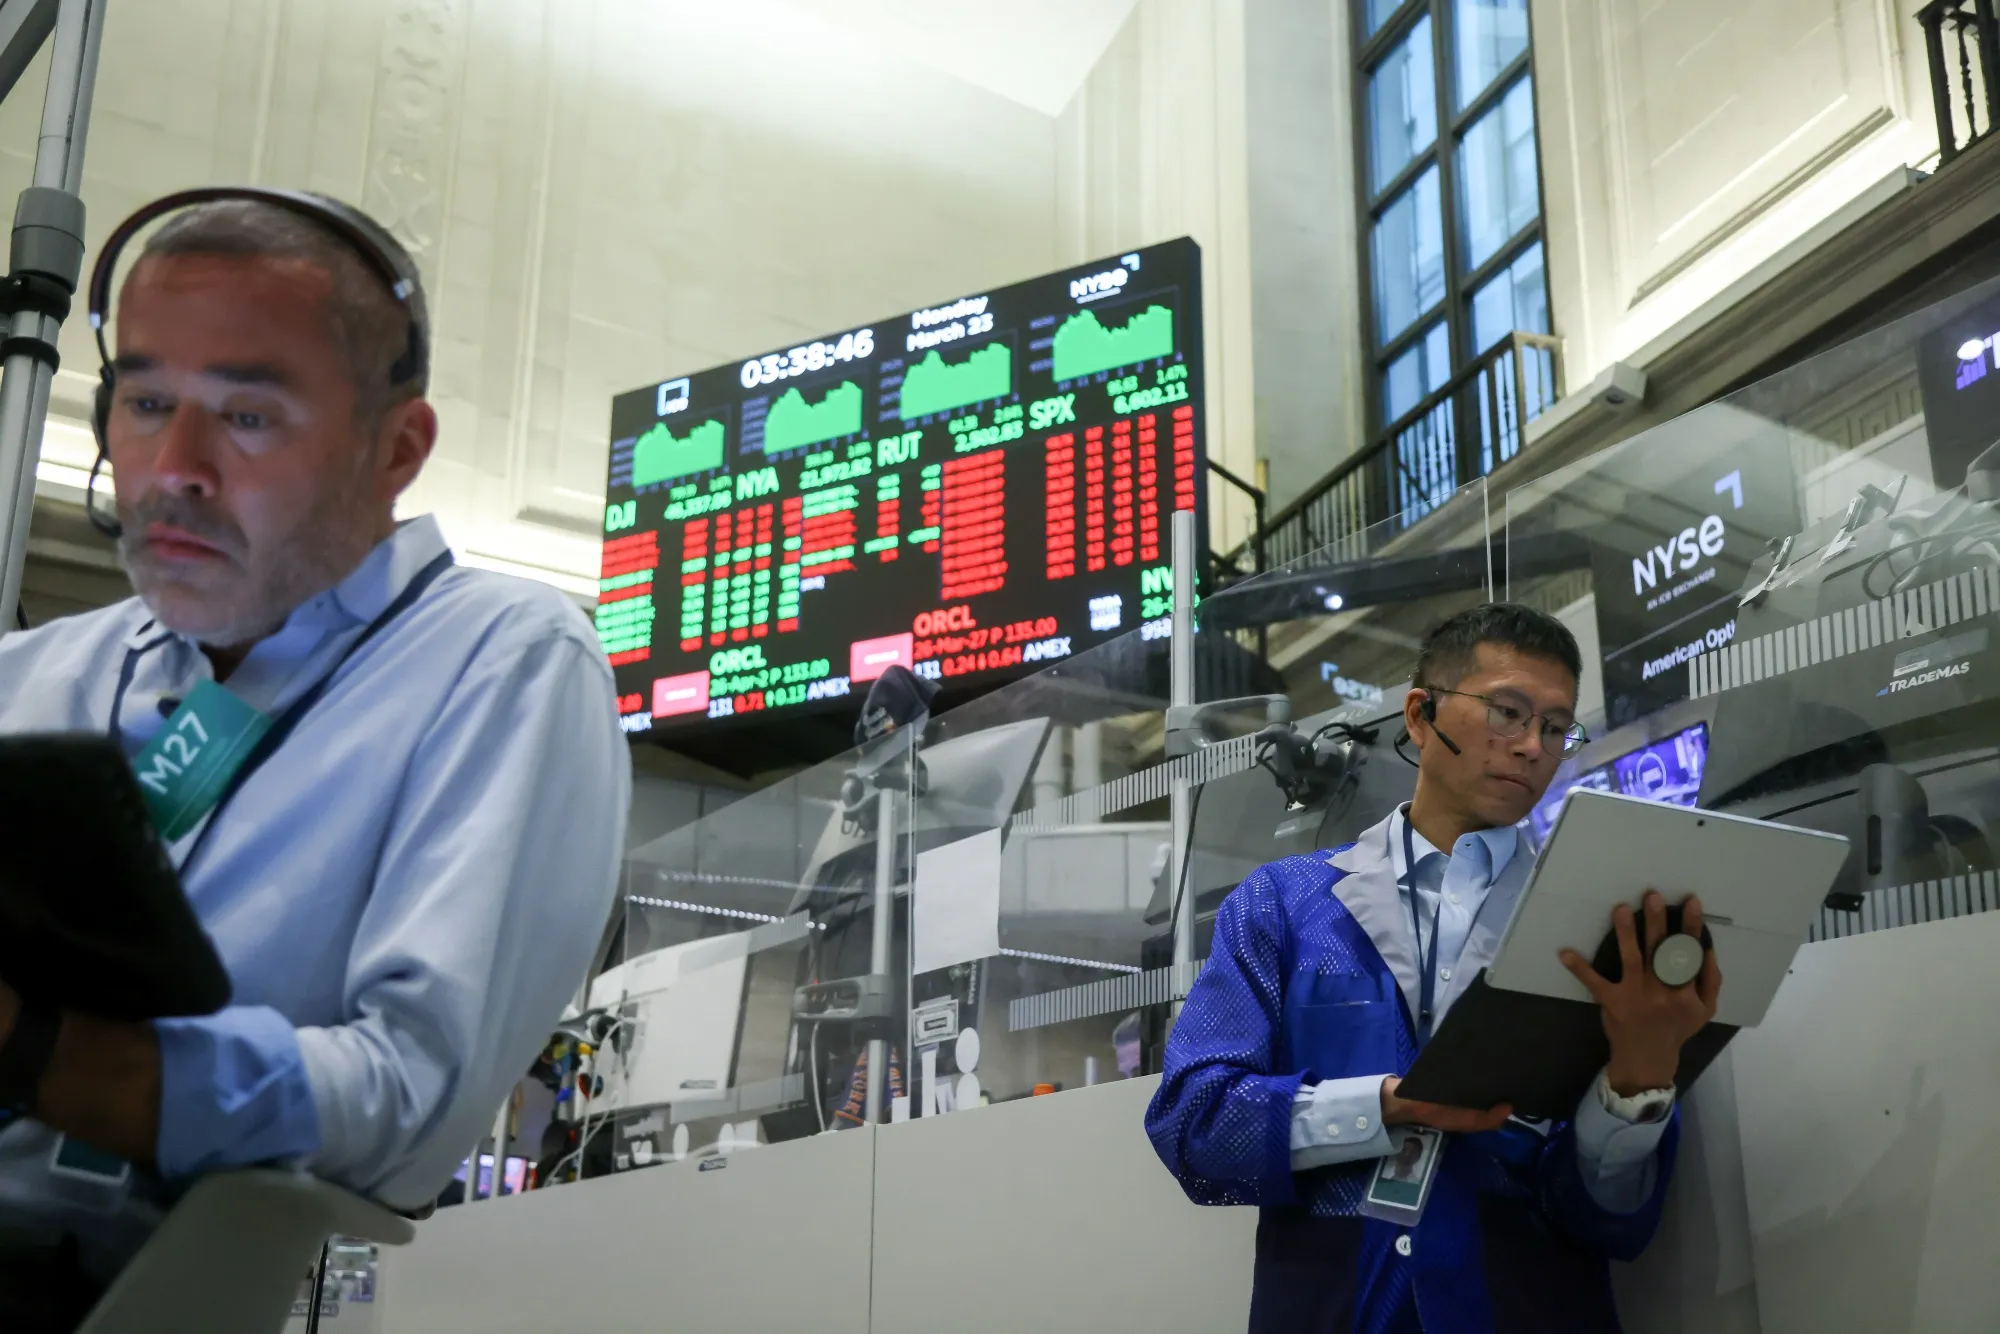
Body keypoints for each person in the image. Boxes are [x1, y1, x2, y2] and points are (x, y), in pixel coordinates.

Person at [0, 190, 629, 1328]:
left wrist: (44, 1052)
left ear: (396, 448)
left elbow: (407, 1095)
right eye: (145, 401)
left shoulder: (503, 662)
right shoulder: (35, 674)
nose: (174, 466)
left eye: (248, 416)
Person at [1145, 603, 1722, 1333]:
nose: (1531, 748)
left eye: (1553, 727)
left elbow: (1610, 1220)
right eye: (1507, 711)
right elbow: (1195, 1123)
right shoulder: (1285, 905)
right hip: (1332, 1307)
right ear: (1420, 716)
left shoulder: (1594, 930)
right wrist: (1385, 1106)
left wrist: (1637, 1087)